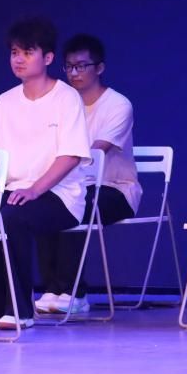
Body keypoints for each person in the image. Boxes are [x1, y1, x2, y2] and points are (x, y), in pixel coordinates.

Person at [0, 18, 89, 330]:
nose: (18, 59)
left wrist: (34, 190)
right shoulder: (5, 101)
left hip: (58, 196)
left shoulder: (66, 98)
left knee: (13, 218)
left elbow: (70, 155)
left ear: (47, 57)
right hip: (12, 192)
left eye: (27, 52)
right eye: (14, 52)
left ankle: (19, 308)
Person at [36, 33, 142, 315]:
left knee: (76, 204)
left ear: (100, 67)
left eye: (81, 66)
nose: (74, 73)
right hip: (72, 183)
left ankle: (74, 292)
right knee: (42, 205)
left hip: (114, 188)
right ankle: (51, 287)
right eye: (69, 67)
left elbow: (94, 153)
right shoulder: (61, 103)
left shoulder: (118, 105)